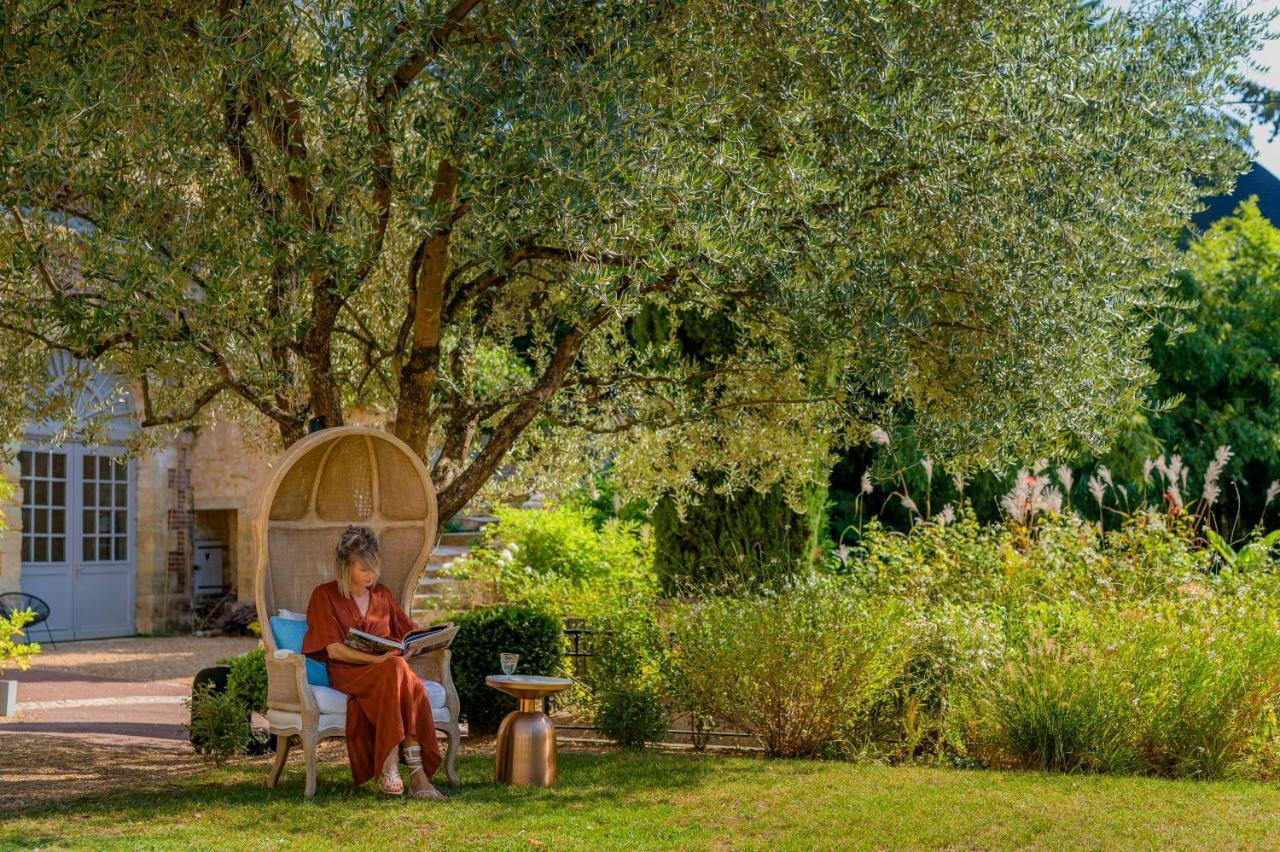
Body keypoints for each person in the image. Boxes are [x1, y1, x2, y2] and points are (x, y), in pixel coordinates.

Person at [301, 524, 445, 799]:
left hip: (388, 673)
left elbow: (408, 633)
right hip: (349, 673)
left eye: (374, 567)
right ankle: (415, 774)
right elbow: (334, 651)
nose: (372, 575)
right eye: (363, 569)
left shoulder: (383, 595)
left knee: (398, 667)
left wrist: (424, 639)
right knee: (398, 671)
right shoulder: (324, 595)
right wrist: (376, 660)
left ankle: (393, 768)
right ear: (346, 568)